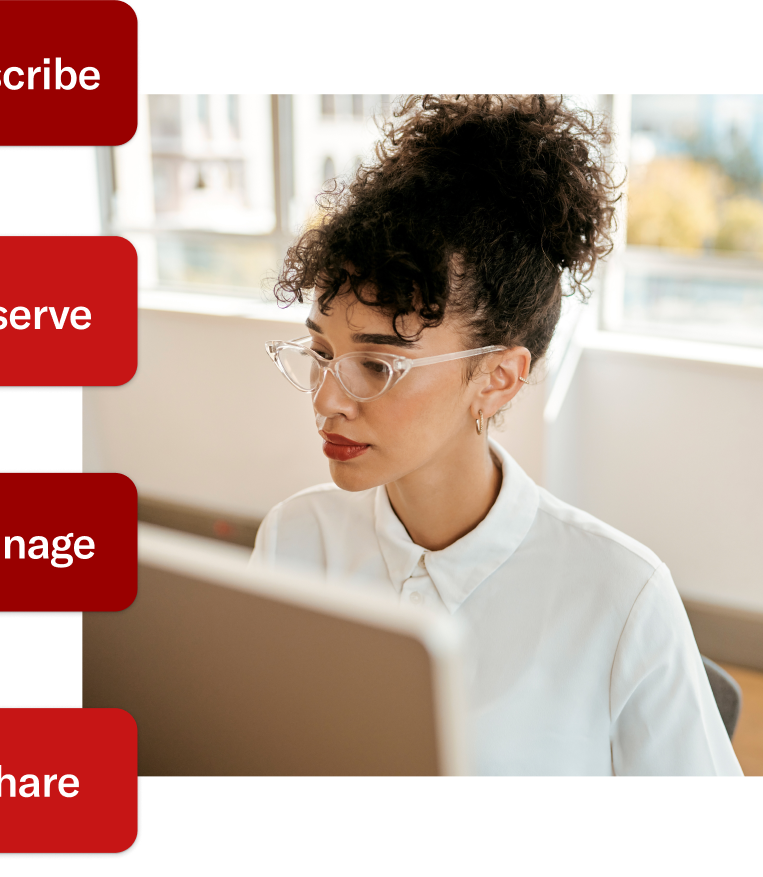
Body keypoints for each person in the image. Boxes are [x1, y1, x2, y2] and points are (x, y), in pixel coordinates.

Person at [250, 94, 742, 776]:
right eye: (323, 354)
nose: (327, 399)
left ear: (499, 379)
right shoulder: (295, 538)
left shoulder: (620, 595)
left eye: (377, 364)